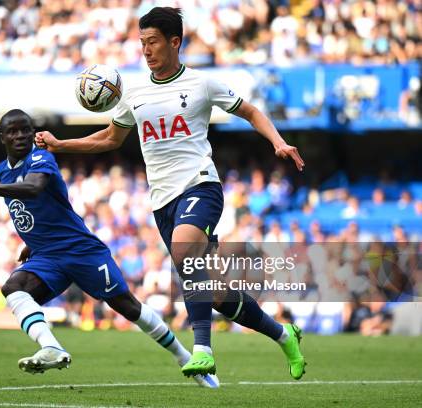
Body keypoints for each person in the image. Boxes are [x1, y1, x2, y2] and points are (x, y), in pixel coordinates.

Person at [35, 7, 306, 380]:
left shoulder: (202, 84)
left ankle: (202, 350)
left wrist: (278, 142)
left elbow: (252, 111)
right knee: (213, 293)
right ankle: (283, 334)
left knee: (183, 251)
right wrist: (59, 144)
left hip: (201, 187)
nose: (146, 50)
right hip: (162, 201)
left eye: (152, 42)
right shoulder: (135, 93)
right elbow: (110, 138)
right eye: (142, 43)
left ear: (174, 42)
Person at [0, 109, 219, 388]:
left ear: (33, 133)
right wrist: (30, 243)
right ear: (2, 137)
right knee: (13, 288)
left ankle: (183, 356)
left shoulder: (41, 157)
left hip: (80, 250)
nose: (20, 136)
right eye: (13, 131)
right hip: (47, 255)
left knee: (127, 306)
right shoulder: (2, 170)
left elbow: (34, 189)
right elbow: (28, 210)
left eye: (25, 130)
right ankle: (52, 347)